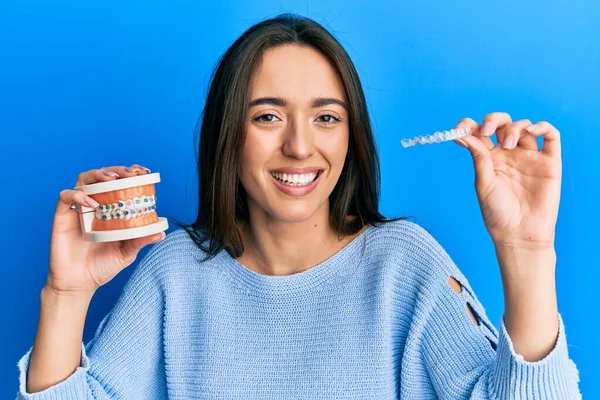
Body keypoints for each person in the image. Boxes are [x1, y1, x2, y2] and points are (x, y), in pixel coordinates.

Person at [17, 13, 581, 399]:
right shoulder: (174, 274)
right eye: (267, 116)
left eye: (326, 117)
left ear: (350, 136)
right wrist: (66, 294)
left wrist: (525, 251)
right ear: (227, 136)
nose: (300, 146)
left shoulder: (405, 266)